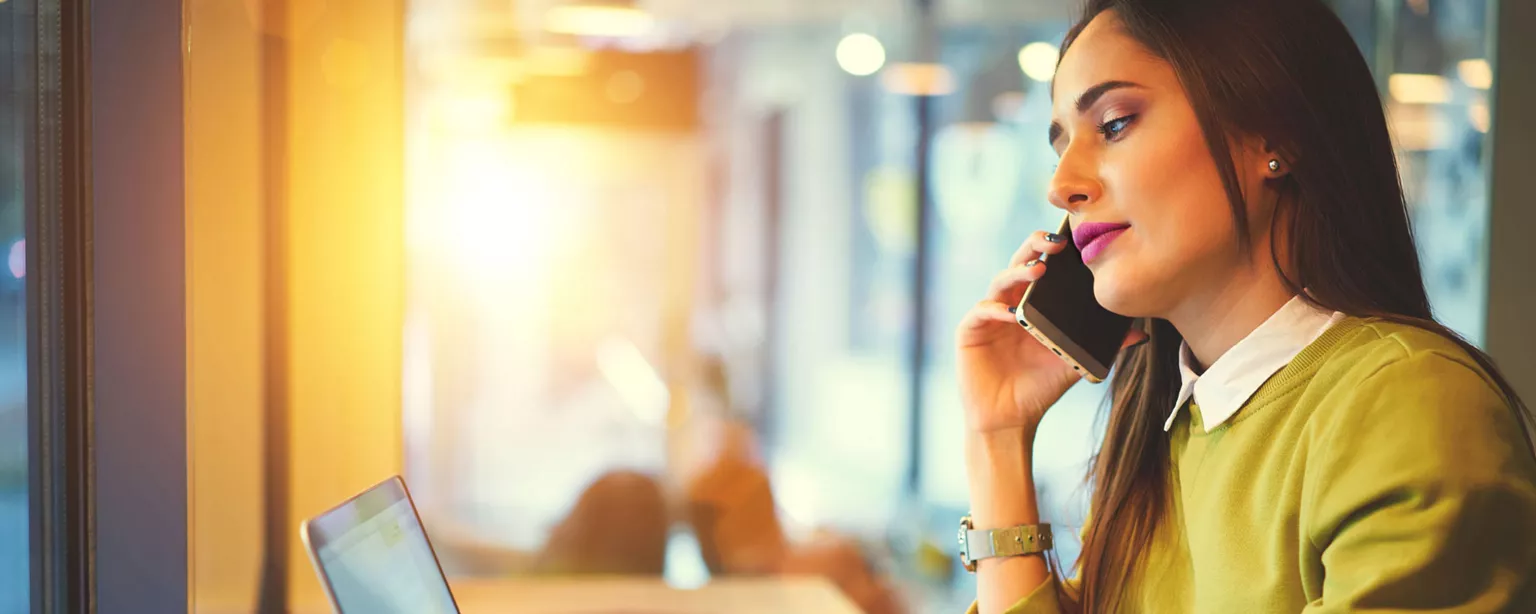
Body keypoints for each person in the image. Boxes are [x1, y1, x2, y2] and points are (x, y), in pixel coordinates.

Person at [955, 1, 1536, 613]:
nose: (1061, 185)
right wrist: (997, 438)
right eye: (1061, 147)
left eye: (1115, 123)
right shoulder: (1164, 434)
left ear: (1275, 135)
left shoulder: (1407, 404)